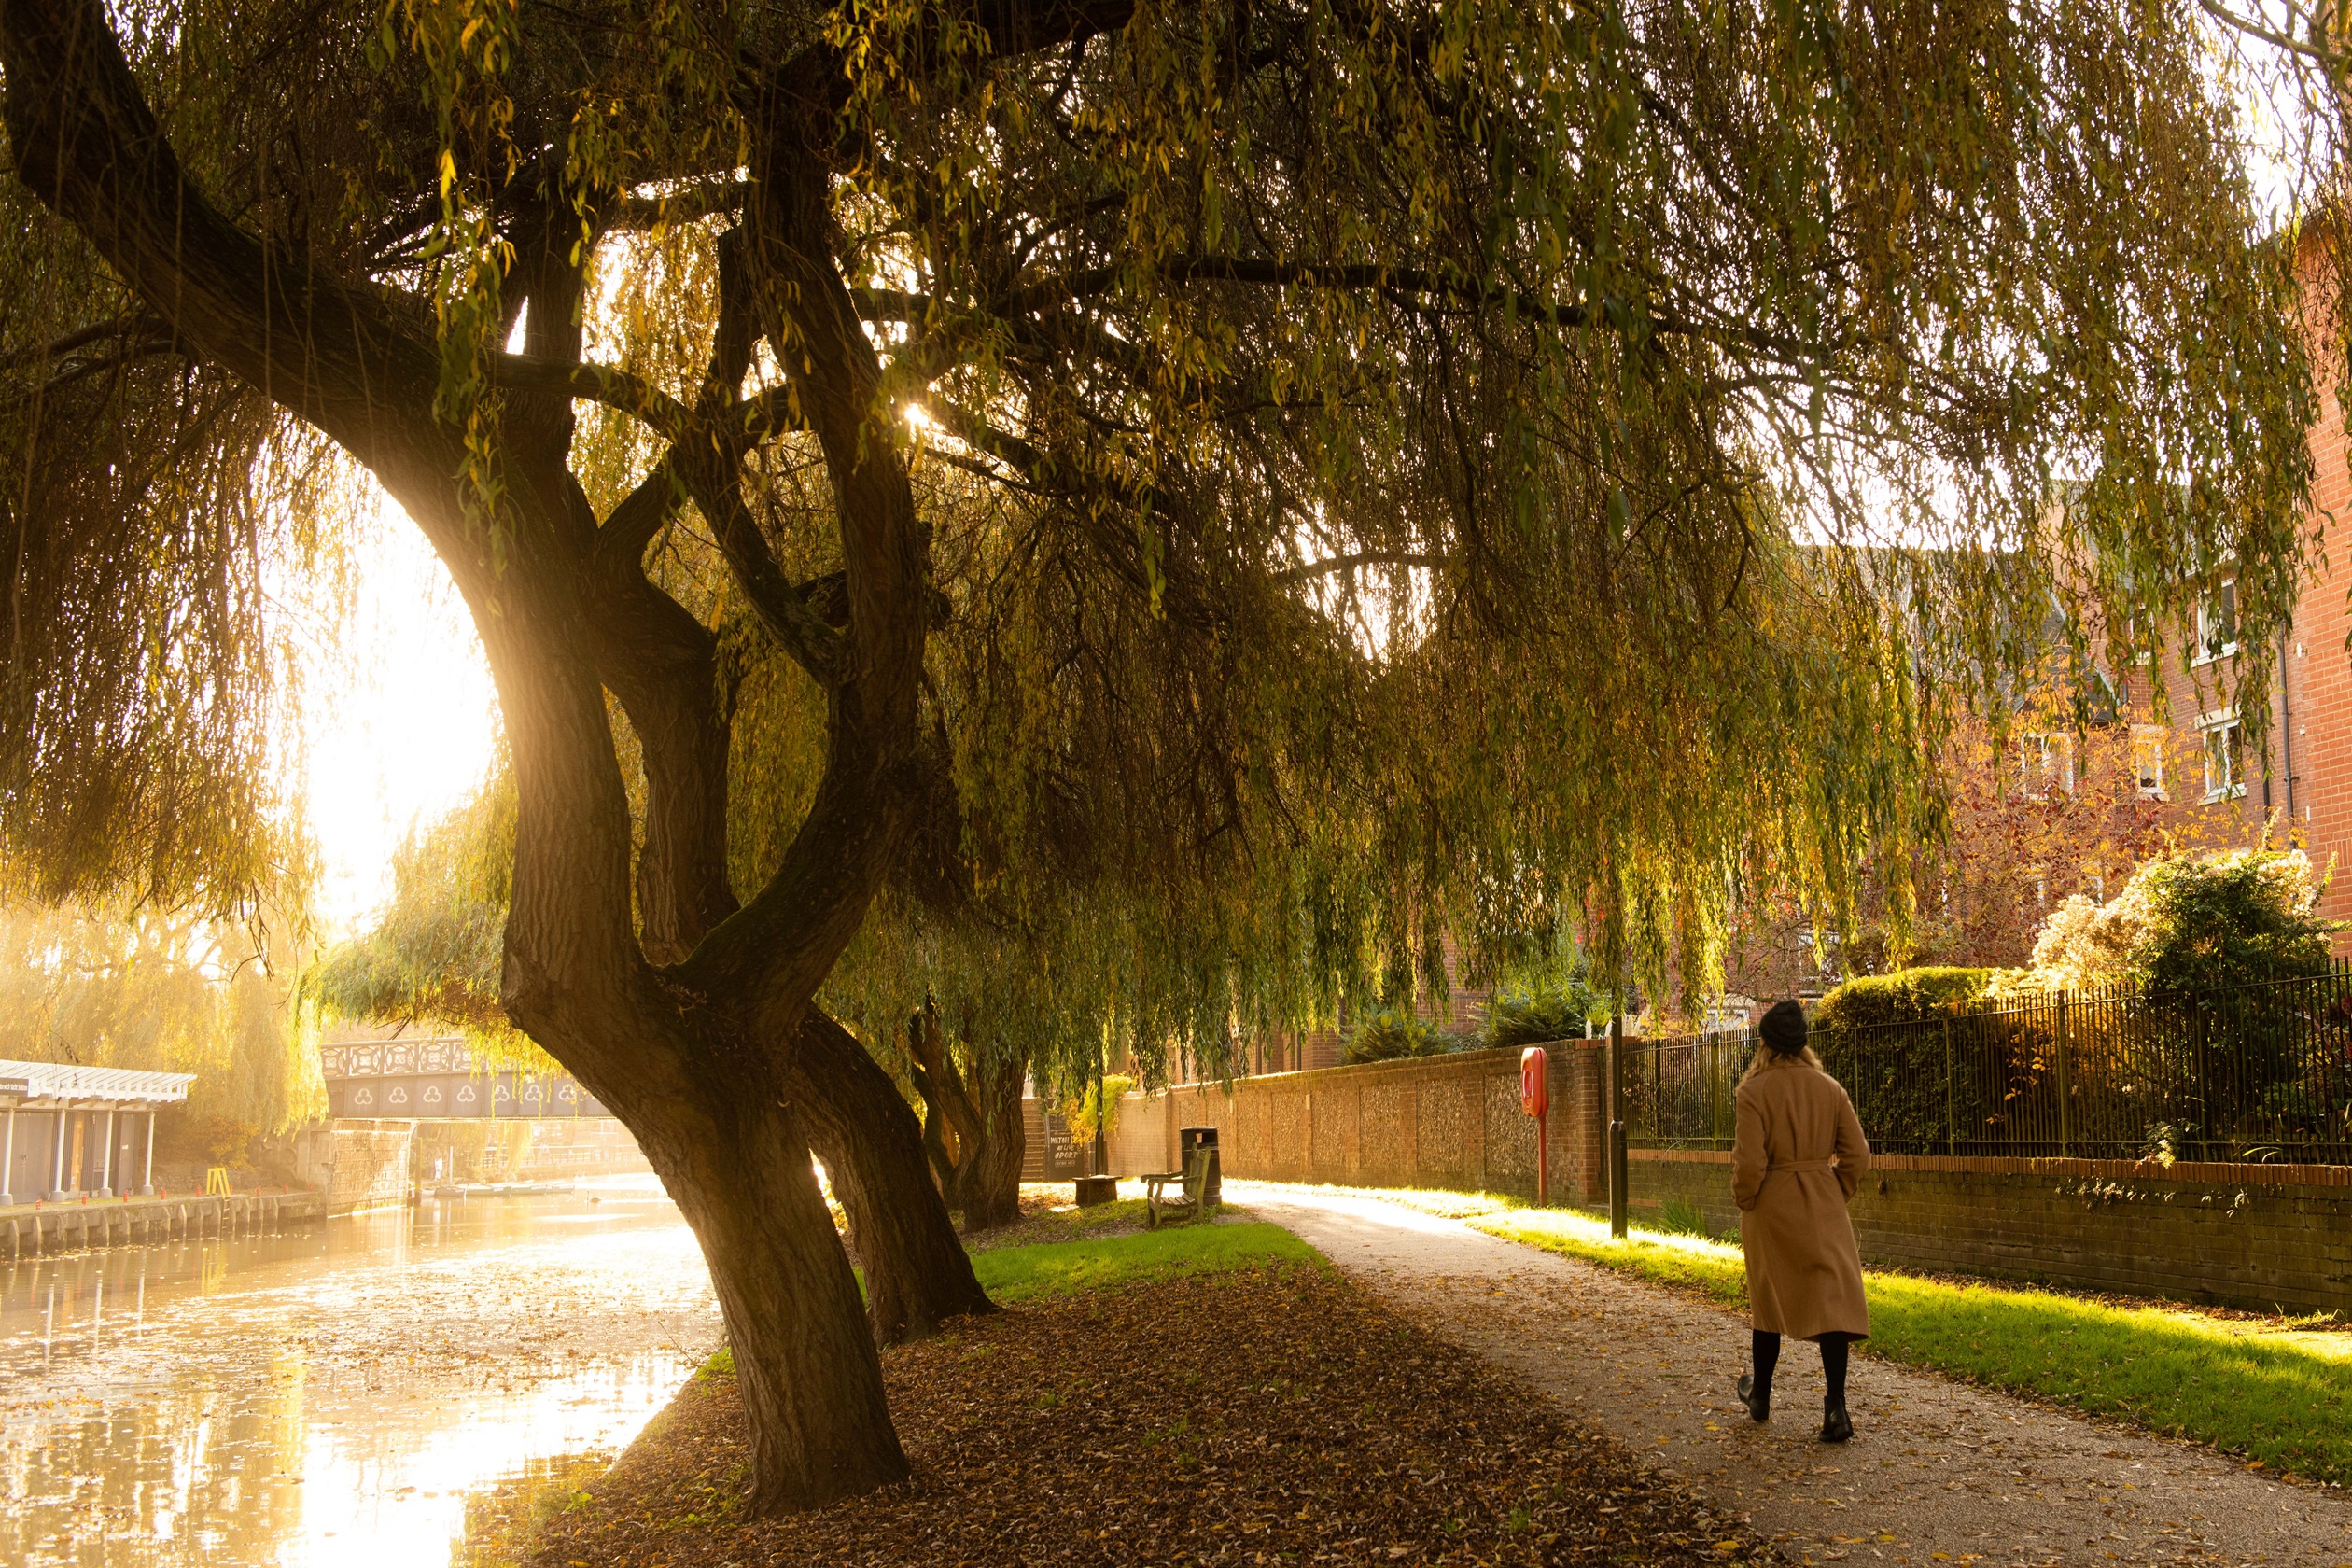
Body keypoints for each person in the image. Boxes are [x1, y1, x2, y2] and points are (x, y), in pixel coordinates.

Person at [1730, 998, 1870, 1442]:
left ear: (1765, 1045)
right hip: (1822, 1203)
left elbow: (1750, 1164)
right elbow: (1858, 1155)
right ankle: (1836, 1409)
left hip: (1771, 1208)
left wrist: (1746, 1199)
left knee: (1767, 1303)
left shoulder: (1752, 1092)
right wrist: (1834, 1190)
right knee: (1831, 1303)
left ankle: (1761, 1397)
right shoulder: (1830, 1089)